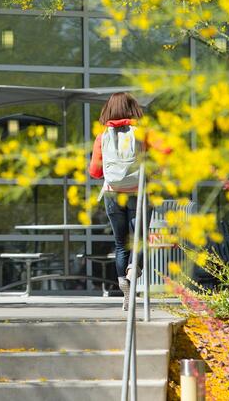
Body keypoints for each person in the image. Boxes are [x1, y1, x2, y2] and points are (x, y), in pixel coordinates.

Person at [88, 92, 147, 311]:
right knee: (138, 240)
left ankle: (123, 281)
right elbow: (166, 150)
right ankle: (133, 273)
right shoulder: (142, 133)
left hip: (113, 194)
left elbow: (94, 172)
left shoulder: (102, 136)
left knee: (121, 244)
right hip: (139, 193)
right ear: (133, 108)